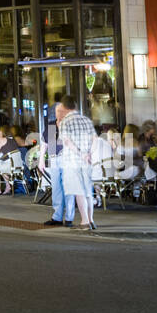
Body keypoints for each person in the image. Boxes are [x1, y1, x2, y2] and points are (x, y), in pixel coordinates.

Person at [57, 98, 97, 230]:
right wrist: (89, 154)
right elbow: (95, 140)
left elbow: (67, 142)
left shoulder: (65, 122)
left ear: (65, 107)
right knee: (88, 191)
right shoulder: (86, 120)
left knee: (79, 191)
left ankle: (84, 222)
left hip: (73, 161)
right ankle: (91, 220)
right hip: (87, 162)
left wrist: (81, 154)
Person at [42, 96, 76, 227]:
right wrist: (41, 160)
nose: (60, 114)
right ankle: (56, 217)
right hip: (55, 159)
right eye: (57, 111)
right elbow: (46, 145)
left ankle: (69, 218)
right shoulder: (51, 125)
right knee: (56, 188)